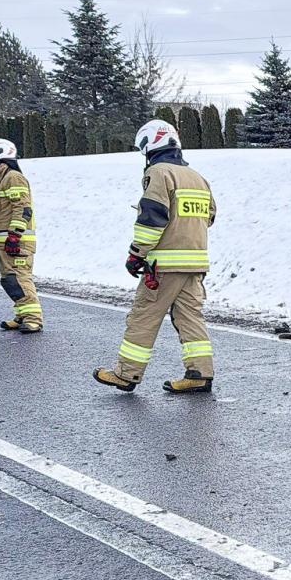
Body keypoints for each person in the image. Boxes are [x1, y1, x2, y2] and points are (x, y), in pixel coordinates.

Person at [93, 120, 217, 394]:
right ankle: (199, 373)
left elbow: (152, 218)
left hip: (164, 265)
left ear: (150, 145)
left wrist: (136, 254)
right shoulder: (197, 177)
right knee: (190, 318)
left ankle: (126, 374)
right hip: (195, 263)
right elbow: (210, 217)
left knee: (144, 316)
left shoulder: (158, 173)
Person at [0, 138, 42, 333]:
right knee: (10, 281)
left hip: (17, 242)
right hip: (4, 243)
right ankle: (22, 315)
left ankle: (33, 319)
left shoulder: (13, 177)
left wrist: (14, 236)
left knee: (19, 279)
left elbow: (23, 208)